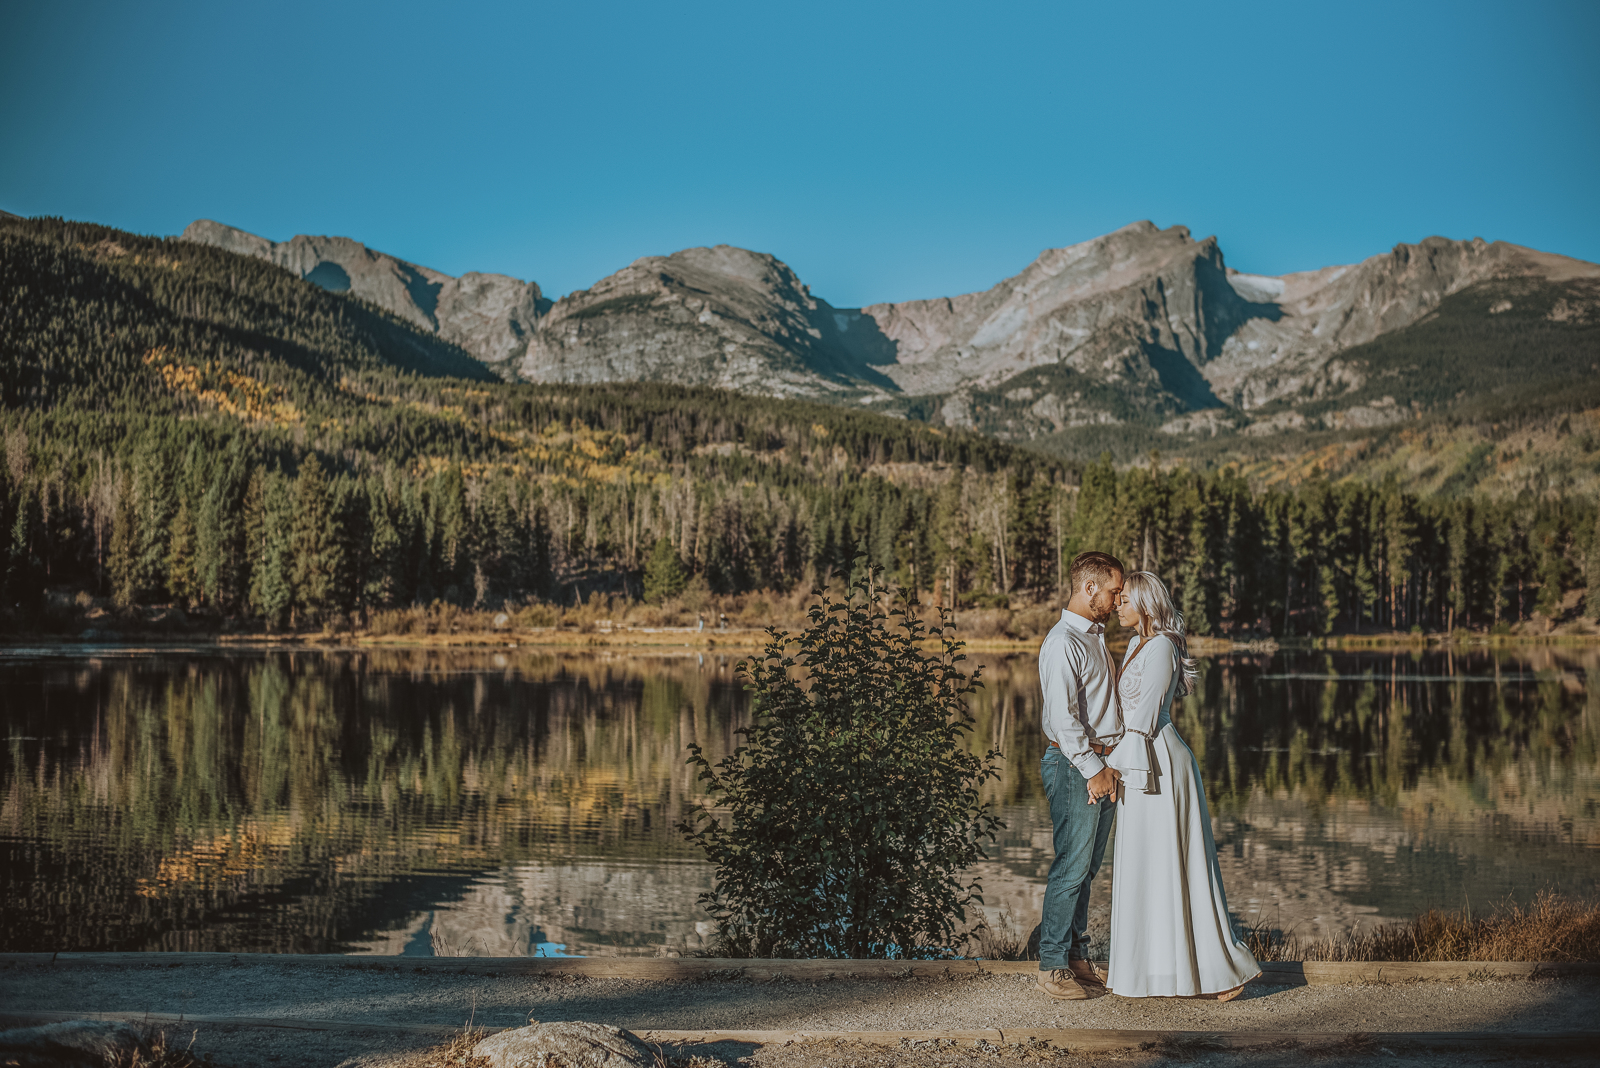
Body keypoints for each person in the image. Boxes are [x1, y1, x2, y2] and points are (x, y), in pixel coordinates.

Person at [1104, 571, 1260, 1000]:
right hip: (1136, 760)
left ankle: (1221, 973)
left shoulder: (1161, 648)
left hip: (1157, 763)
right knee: (1147, 866)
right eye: (1116, 599)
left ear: (1147, 603)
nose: (1117, 604)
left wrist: (1109, 771)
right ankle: (1154, 973)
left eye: (1125, 599)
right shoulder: (1135, 645)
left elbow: (1144, 720)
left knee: (1179, 863)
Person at [1035, 551, 1125, 1001]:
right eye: (1113, 590)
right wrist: (1093, 769)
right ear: (1089, 588)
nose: (1117, 597)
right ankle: (1051, 965)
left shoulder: (1094, 636)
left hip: (1100, 765)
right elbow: (1064, 720)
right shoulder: (1063, 642)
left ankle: (1074, 955)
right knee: (1071, 867)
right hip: (1076, 766)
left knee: (1086, 870)